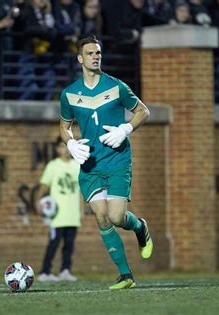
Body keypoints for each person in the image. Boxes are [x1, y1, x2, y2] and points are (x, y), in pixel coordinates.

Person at [59, 36, 153, 290]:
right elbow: (64, 125)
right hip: (90, 164)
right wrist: (70, 143)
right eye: (90, 53)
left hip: (117, 160)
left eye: (98, 52)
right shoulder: (69, 94)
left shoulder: (117, 87)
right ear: (80, 58)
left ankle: (139, 226)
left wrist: (125, 129)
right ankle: (126, 275)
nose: (95, 56)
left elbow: (143, 111)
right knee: (102, 218)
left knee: (117, 217)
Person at [35, 136, 83, 282]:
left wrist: (81, 210)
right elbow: (44, 186)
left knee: (69, 245)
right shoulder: (53, 166)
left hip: (73, 214)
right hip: (57, 215)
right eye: (62, 147)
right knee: (53, 243)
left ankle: (65, 270)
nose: (65, 150)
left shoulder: (77, 166)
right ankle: (45, 271)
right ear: (57, 149)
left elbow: (80, 191)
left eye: (68, 147)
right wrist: (38, 202)